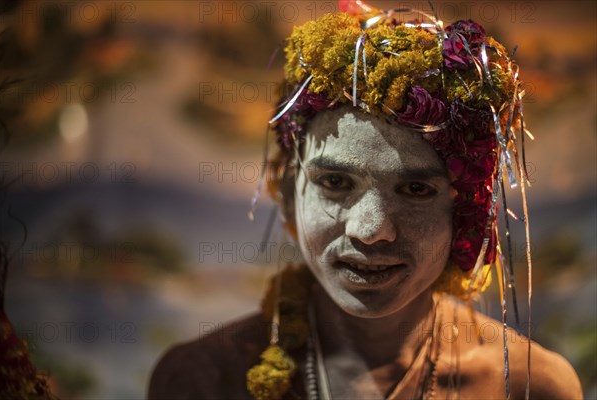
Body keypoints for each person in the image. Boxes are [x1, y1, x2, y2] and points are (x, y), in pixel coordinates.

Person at [148, 2, 582, 399]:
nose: (371, 230)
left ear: (467, 216)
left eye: (416, 190)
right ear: (287, 193)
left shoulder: (531, 386)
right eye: (335, 182)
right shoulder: (204, 379)